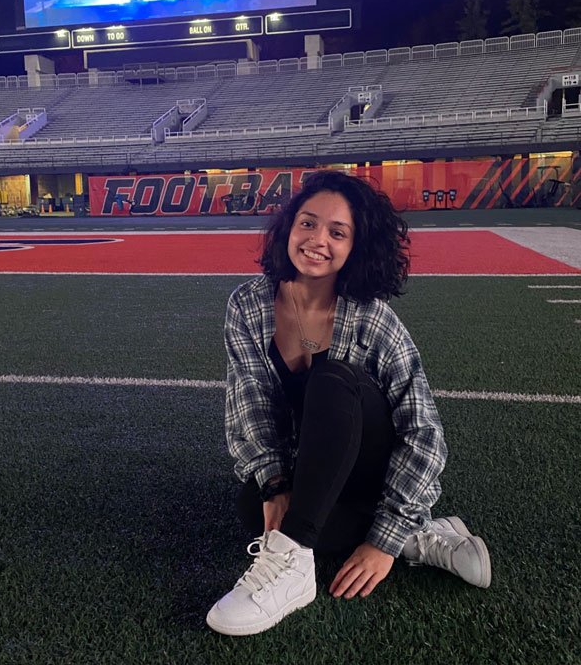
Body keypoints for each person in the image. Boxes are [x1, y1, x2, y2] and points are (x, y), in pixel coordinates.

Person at [206, 171, 491, 636]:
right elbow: (250, 403)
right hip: (320, 469)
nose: (318, 240)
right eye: (308, 224)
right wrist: (275, 483)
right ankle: (421, 537)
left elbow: (424, 434)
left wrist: (382, 540)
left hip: (374, 465)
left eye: (337, 232)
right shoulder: (248, 305)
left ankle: (296, 564)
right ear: (288, 228)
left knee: (332, 379)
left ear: (356, 246)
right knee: (250, 509)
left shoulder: (374, 319)